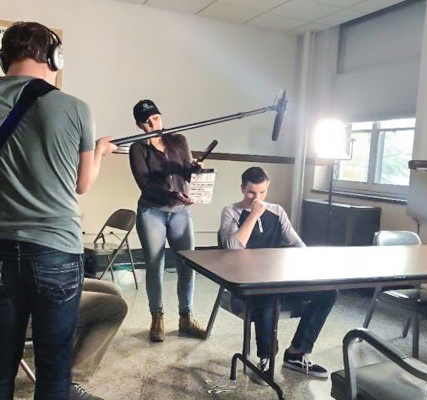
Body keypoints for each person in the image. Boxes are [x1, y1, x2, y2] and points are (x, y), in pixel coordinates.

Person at [0, 21, 116, 400]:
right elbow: (82, 184)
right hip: (56, 251)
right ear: (54, 59)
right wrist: (100, 151)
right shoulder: (74, 107)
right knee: (52, 366)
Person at [219, 167, 337, 383]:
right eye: (251, 192)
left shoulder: (277, 211)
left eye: (262, 192)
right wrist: (254, 214)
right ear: (242, 188)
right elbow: (233, 248)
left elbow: (298, 245)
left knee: (328, 292)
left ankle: (296, 352)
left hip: (278, 279)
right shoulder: (231, 212)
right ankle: (266, 358)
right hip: (247, 285)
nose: (257, 198)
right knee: (268, 294)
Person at [129, 99, 206, 343]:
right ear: (140, 125)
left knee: (187, 264)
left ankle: (186, 317)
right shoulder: (137, 148)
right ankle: (157, 317)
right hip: (152, 211)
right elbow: (145, 184)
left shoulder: (178, 140)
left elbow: (186, 172)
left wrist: (195, 170)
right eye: (147, 122)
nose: (154, 124)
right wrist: (173, 194)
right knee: (155, 265)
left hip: (180, 211)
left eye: (156, 118)